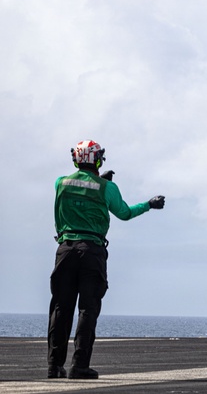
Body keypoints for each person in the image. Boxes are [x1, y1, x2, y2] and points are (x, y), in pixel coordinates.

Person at [47, 140, 165, 380]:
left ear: (76, 159)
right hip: (92, 251)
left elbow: (67, 205)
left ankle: (54, 365)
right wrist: (149, 205)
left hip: (65, 249)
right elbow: (124, 213)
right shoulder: (107, 188)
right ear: (98, 160)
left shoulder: (61, 183)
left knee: (61, 308)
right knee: (87, 309)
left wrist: (100, 180)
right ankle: (79, 366)